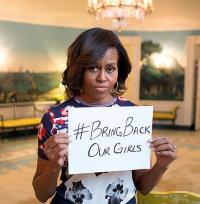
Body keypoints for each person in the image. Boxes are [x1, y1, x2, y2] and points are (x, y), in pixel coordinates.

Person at [32, 27, 177, 204]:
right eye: (92, 68)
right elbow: (41, 195)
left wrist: (161, 165)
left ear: (119, 71)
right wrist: (54, 164)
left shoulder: (133, 116)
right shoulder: (54, 118)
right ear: (79, 69)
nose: (102, 77)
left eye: (110, 68)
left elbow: (143, 187)